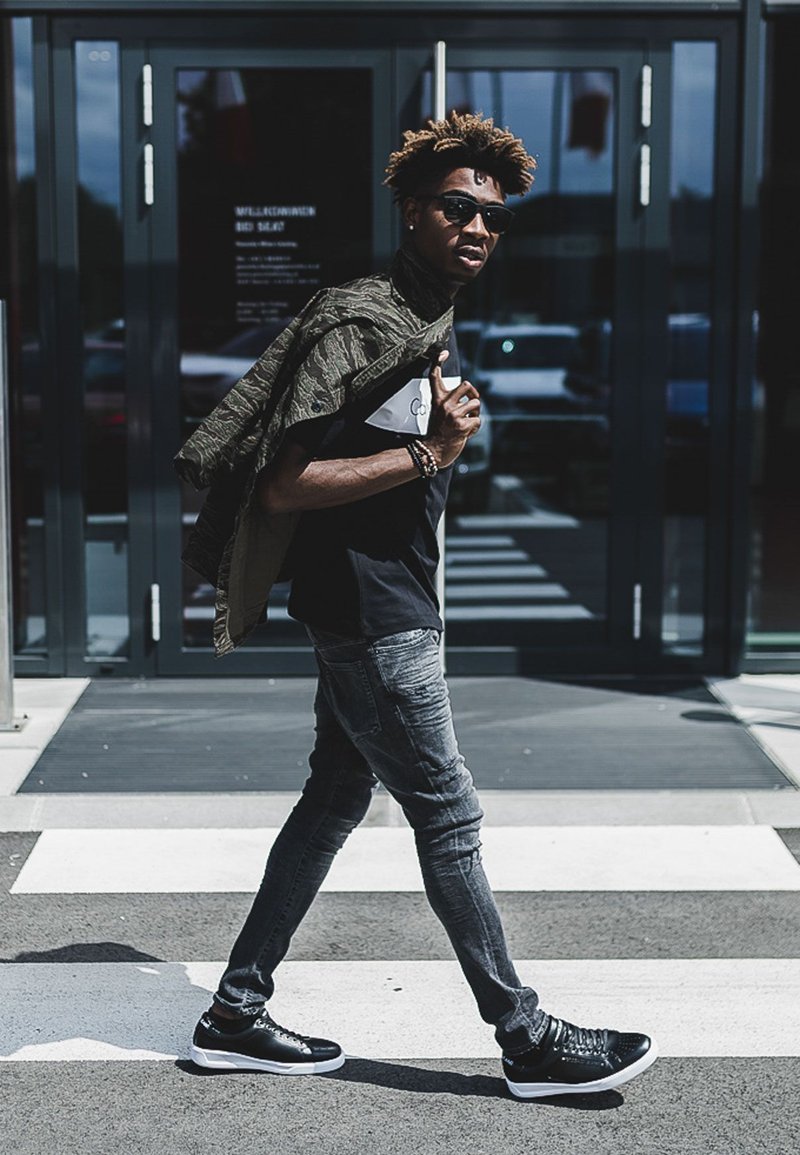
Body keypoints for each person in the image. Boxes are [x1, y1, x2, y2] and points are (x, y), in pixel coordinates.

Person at [186, 112, 658, 1098]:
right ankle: (523, 1035)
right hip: (371, 611)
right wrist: (429, 453)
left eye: (490, 215)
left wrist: (430, 452)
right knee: (445, 812)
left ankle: (233, 1010)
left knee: (330, 801)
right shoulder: (371, 320)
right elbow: (283, 484)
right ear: (411, 210)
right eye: (456, 207)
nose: (477, 227)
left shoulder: (422, 315)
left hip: (377, 598)